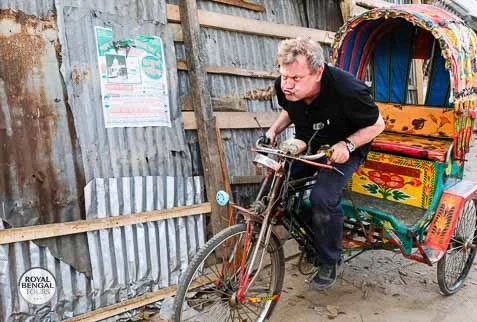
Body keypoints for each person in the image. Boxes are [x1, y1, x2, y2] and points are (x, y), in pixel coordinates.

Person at [266, 37, 385, 290]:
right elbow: (289, 108)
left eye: (295, 79)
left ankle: (330, 259)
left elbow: (378, 125)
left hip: (346, 147)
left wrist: (348, 146)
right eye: (284, 76)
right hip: (311, 143)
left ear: (318, 72)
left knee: (322, 197)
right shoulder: (285, 85)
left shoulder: (349, 91)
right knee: (279, 190)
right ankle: (315, 238)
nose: (287, 84)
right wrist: (274, 130)